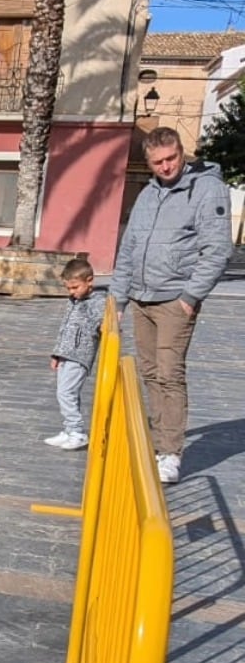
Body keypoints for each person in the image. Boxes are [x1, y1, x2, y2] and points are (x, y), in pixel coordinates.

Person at [108, 126, 233, 485]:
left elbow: (217, 250)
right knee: (149, 374)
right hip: (141, 299)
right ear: (149, 163)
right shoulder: (148, 195)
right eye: (158, 162)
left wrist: (190, 297)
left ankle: (170, 453)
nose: (165, 167)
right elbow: (129, 249)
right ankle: (159, 439)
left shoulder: (206, 189)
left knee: (169, 374)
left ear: (182, 153)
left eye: (171, 158)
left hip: (174, 301)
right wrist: (117, 298)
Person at [44, 257, 107, 451]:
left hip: (80, 355)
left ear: (89, 281)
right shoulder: (73, 301)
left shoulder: (98, 301)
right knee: (67, 392)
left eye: (75, 287)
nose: (72, 292)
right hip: (66, 353)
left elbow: (100, 324)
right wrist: (57, 353)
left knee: (65, 392)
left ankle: (77, 432)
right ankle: (69, 429)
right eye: (68, 288)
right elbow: (65, 327)